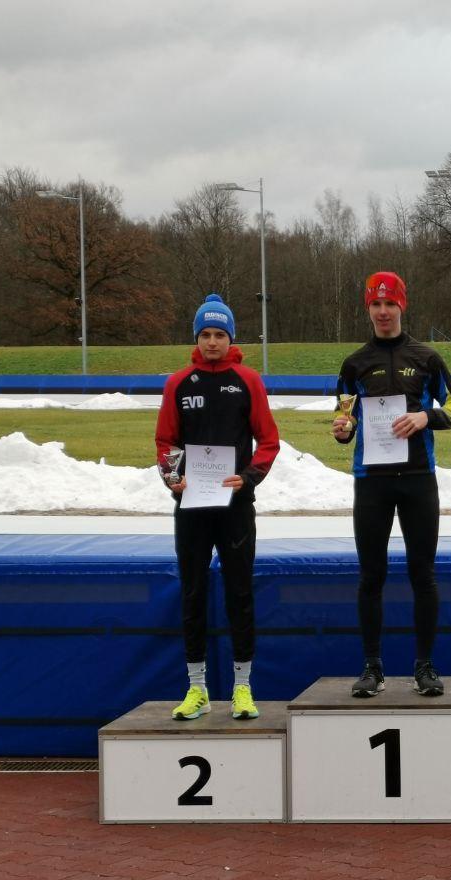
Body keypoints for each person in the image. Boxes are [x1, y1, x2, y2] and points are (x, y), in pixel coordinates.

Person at [332, 271, 451, 697]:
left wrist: (427, 416)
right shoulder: (354, 363)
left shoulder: (427, 358)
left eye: (390, 304)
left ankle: (424, 666)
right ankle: (372, 667)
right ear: (368, 308)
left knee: (422, 574)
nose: (383, 311)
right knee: (371, 576)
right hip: (371, 482)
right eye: (376, 304)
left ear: (402, 306)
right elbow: (344, 417)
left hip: (417, 479)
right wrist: (342, 430)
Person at [155, 293, 279, 721]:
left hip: (235, 505)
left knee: (239, 593)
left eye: (219, 334)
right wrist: (174, 477)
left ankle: (243, 687)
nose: (212, 342)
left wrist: (249, 477)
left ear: (231, 338)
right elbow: (165, 441)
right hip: (191, 504)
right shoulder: (178, 383)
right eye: (205, 334)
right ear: (196, 337)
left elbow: (268, 440)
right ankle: (197, 688)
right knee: (193, 593)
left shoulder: (247, 380)